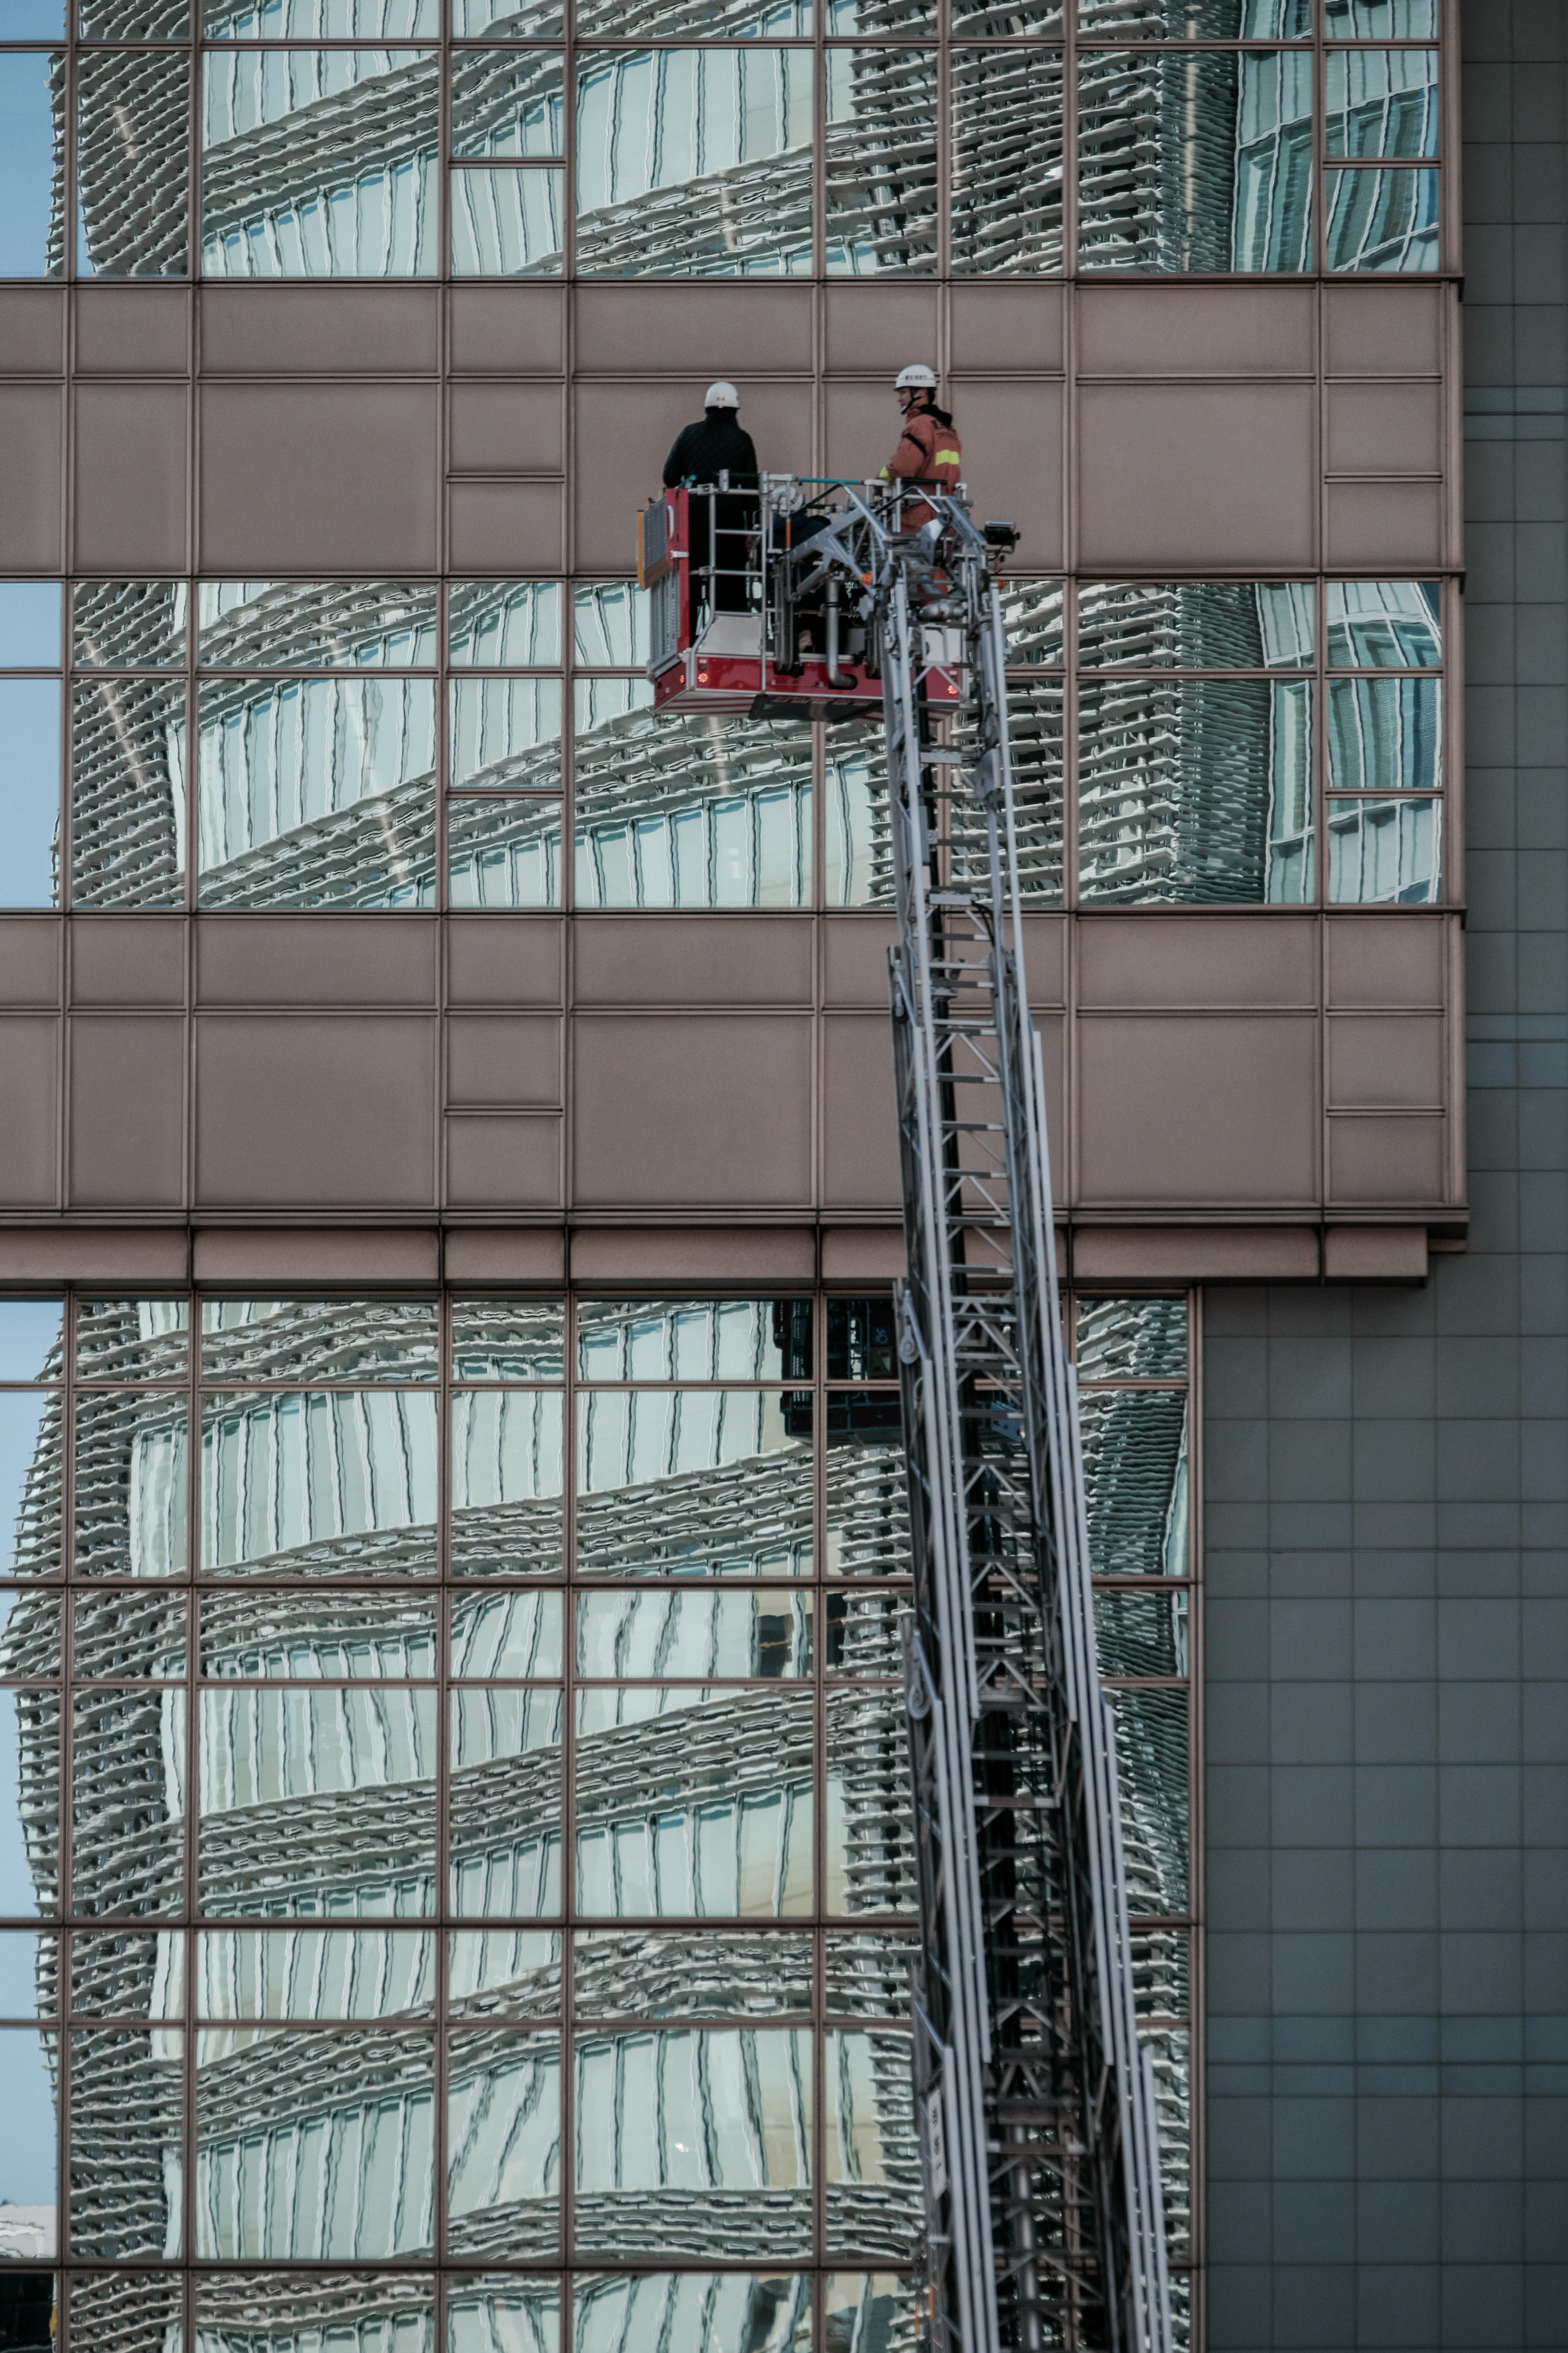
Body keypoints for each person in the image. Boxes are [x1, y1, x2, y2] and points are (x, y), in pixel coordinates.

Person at [663, 381, 759, 615]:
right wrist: (751, 529)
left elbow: (670, 476)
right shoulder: (741, 439)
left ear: (707, 409)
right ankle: (730, 629)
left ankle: (689, 633)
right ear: (735, 410)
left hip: (692, 520)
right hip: (729, 524)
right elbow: (751, 488)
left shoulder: (689, 434)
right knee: (729, 585)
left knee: (691, 581)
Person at [879, 363, 962, 533]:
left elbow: (903, 468)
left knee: (871, 538)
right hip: (947, 513)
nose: (899, 399)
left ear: (921, 392)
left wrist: (879, 483)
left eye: (903, 392)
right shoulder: (948, 429)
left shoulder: (919, 426)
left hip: (919, 516)